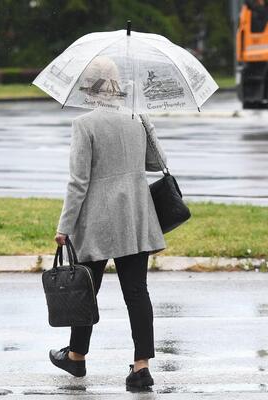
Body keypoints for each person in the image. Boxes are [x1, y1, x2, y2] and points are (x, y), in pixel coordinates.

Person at [49, 56, 167, 390]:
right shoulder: (135, 116)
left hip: (98, 220)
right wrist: (144, 120)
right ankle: (141, 367)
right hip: (135, 217)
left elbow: (78, 183)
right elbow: (157, 162)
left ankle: (76, 357)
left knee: (86, 291)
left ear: (89, 86)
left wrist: (64, 227)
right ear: (117, 84)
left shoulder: (85, 125)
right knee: (137, 291)